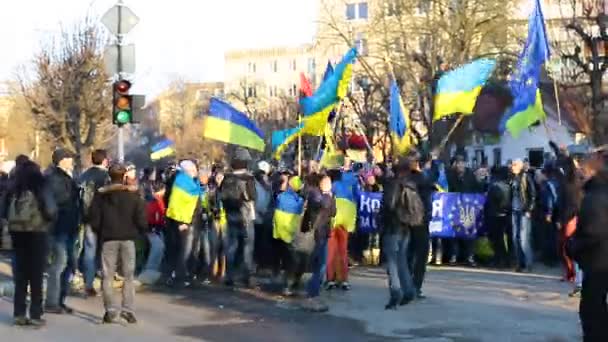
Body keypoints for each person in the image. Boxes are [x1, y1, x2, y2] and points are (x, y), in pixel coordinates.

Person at [89, 163, 147, 324]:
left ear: (109, 176)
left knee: (107, 275)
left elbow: (93, 218)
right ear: (124, 177)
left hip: (108, 238)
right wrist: (140, 231)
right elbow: (141, 218)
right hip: (128, 238)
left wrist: (100, 231)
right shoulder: (133, 195)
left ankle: (110, 310)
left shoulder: (101, 196)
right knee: (128, 276)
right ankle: (127, 310)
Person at [3, 160, 57, 326]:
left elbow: (3, 211)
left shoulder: (12, 189)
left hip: (17, 233)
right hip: (37, 233)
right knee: (36, 276)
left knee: (20, 276)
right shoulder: (41, 187)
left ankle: (19, 313)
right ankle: (35, 313)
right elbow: (51, 210)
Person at [570, 152, 608, 342]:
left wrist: (573, 247)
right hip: (600, 260)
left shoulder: (596, 197)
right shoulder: (595, 193)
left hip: (598, 261)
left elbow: (594, 231)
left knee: (593, 310)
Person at [381, 157, 423, 310]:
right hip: (406, 227)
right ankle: (409, 290)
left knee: (392, 262)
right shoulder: (411, 185)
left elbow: (390, 204)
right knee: (402, 261)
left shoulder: (394, 185)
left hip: (393, 227)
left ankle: (395, 292)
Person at [45, 149, 80, 314]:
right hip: (59, 227)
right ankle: (52, 301)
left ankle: (60, 299)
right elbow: (59, 200)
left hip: (68, 226)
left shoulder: (65, 176)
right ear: (62, 160)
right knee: (60, 263)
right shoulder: (54, 178)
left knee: (69, 264)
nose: (72, 160)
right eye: (69, 158)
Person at [220, 148, 256, 287]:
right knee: (247, 247)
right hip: (245, 216)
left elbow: (221, 196)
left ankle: (230, 276)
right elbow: (253, 196)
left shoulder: (227, 178)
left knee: (231, 246)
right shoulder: (249, 178)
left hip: (230, 215)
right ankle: (247, 277)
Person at [165, 160, 203, 287]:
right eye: (194, 170)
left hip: (193, 221)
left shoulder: (192, 183)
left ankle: (188, 275)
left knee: (190, 250)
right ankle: (179, 277)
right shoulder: (180, 183)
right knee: (184, 251)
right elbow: (175, 204)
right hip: (184, 222)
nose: (196, 172)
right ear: (188, 171)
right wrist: (181, 222)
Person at [78, 149, 110, 297]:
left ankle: (88, 284)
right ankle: (105, 283)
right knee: (105, 252)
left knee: (89, 251)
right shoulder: (106, 176)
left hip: (87, 218)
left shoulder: (84, 175)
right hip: (103, 219)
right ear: (105, 160)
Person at [302, 174, 336, 312]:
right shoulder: (316, 195)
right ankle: (312, 294)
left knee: (320, 264)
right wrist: (329, 195)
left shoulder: (325, 196)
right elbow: (324, 206)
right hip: (317, 234)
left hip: (323, 233)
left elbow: (333, 212)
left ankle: (312, 291)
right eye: (328, 183)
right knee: (320, 265)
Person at [406, 153, 437, 299]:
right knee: (420, 254)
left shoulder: (403, 178)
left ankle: (407, 284)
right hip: (419, 220)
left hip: (407, 220)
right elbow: (433, 177)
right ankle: (415, 286)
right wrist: (434, 162)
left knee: (408, 253)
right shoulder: (422, 178)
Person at [272, 175, 305, 296]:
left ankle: (275, 275)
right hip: (290, 234)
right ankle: (287, 285)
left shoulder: (280, 197)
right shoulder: (299, 201)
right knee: (292, 260)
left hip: (278, 232)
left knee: (280, 256)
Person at [446, 155, 482, 266]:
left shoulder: (470, 175)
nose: (460, 165)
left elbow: (477, 189)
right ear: (455, 164)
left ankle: (470, 257)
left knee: (469, 233)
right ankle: (454, 256)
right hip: (455, 207)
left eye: (462, 163)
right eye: (458, 163)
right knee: (455, 233)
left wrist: (480, 181)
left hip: (468, 207)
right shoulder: (451, 176)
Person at [510, 159, 537, 272]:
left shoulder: (526, 177)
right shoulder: (512, 178)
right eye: (512, 165)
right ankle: (519, 264)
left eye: (515, 165)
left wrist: (529, 209)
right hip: (514, 210)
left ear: (520, 166)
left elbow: (533, 194)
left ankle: (528, 263)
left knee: (523, 239)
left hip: (523, 211)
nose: (512, 167)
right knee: (515, 238)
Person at [484, 166, 512, 268]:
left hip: (494, 215)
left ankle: (499, 260)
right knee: (502, 239)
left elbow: (489, 202)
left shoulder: (494, 185)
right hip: (505, 215)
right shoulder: (508, 185)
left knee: (496, 240)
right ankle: (506, 260)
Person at [253, 161, 273, 272]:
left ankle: (261, 264)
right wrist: (261, 211)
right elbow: (258, 202)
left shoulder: (267, 186)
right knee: (257, 243)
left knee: (263, 243)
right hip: (257, 218)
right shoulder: (256, 186)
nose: (264, 177)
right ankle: (256, 264)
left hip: (265, 218)